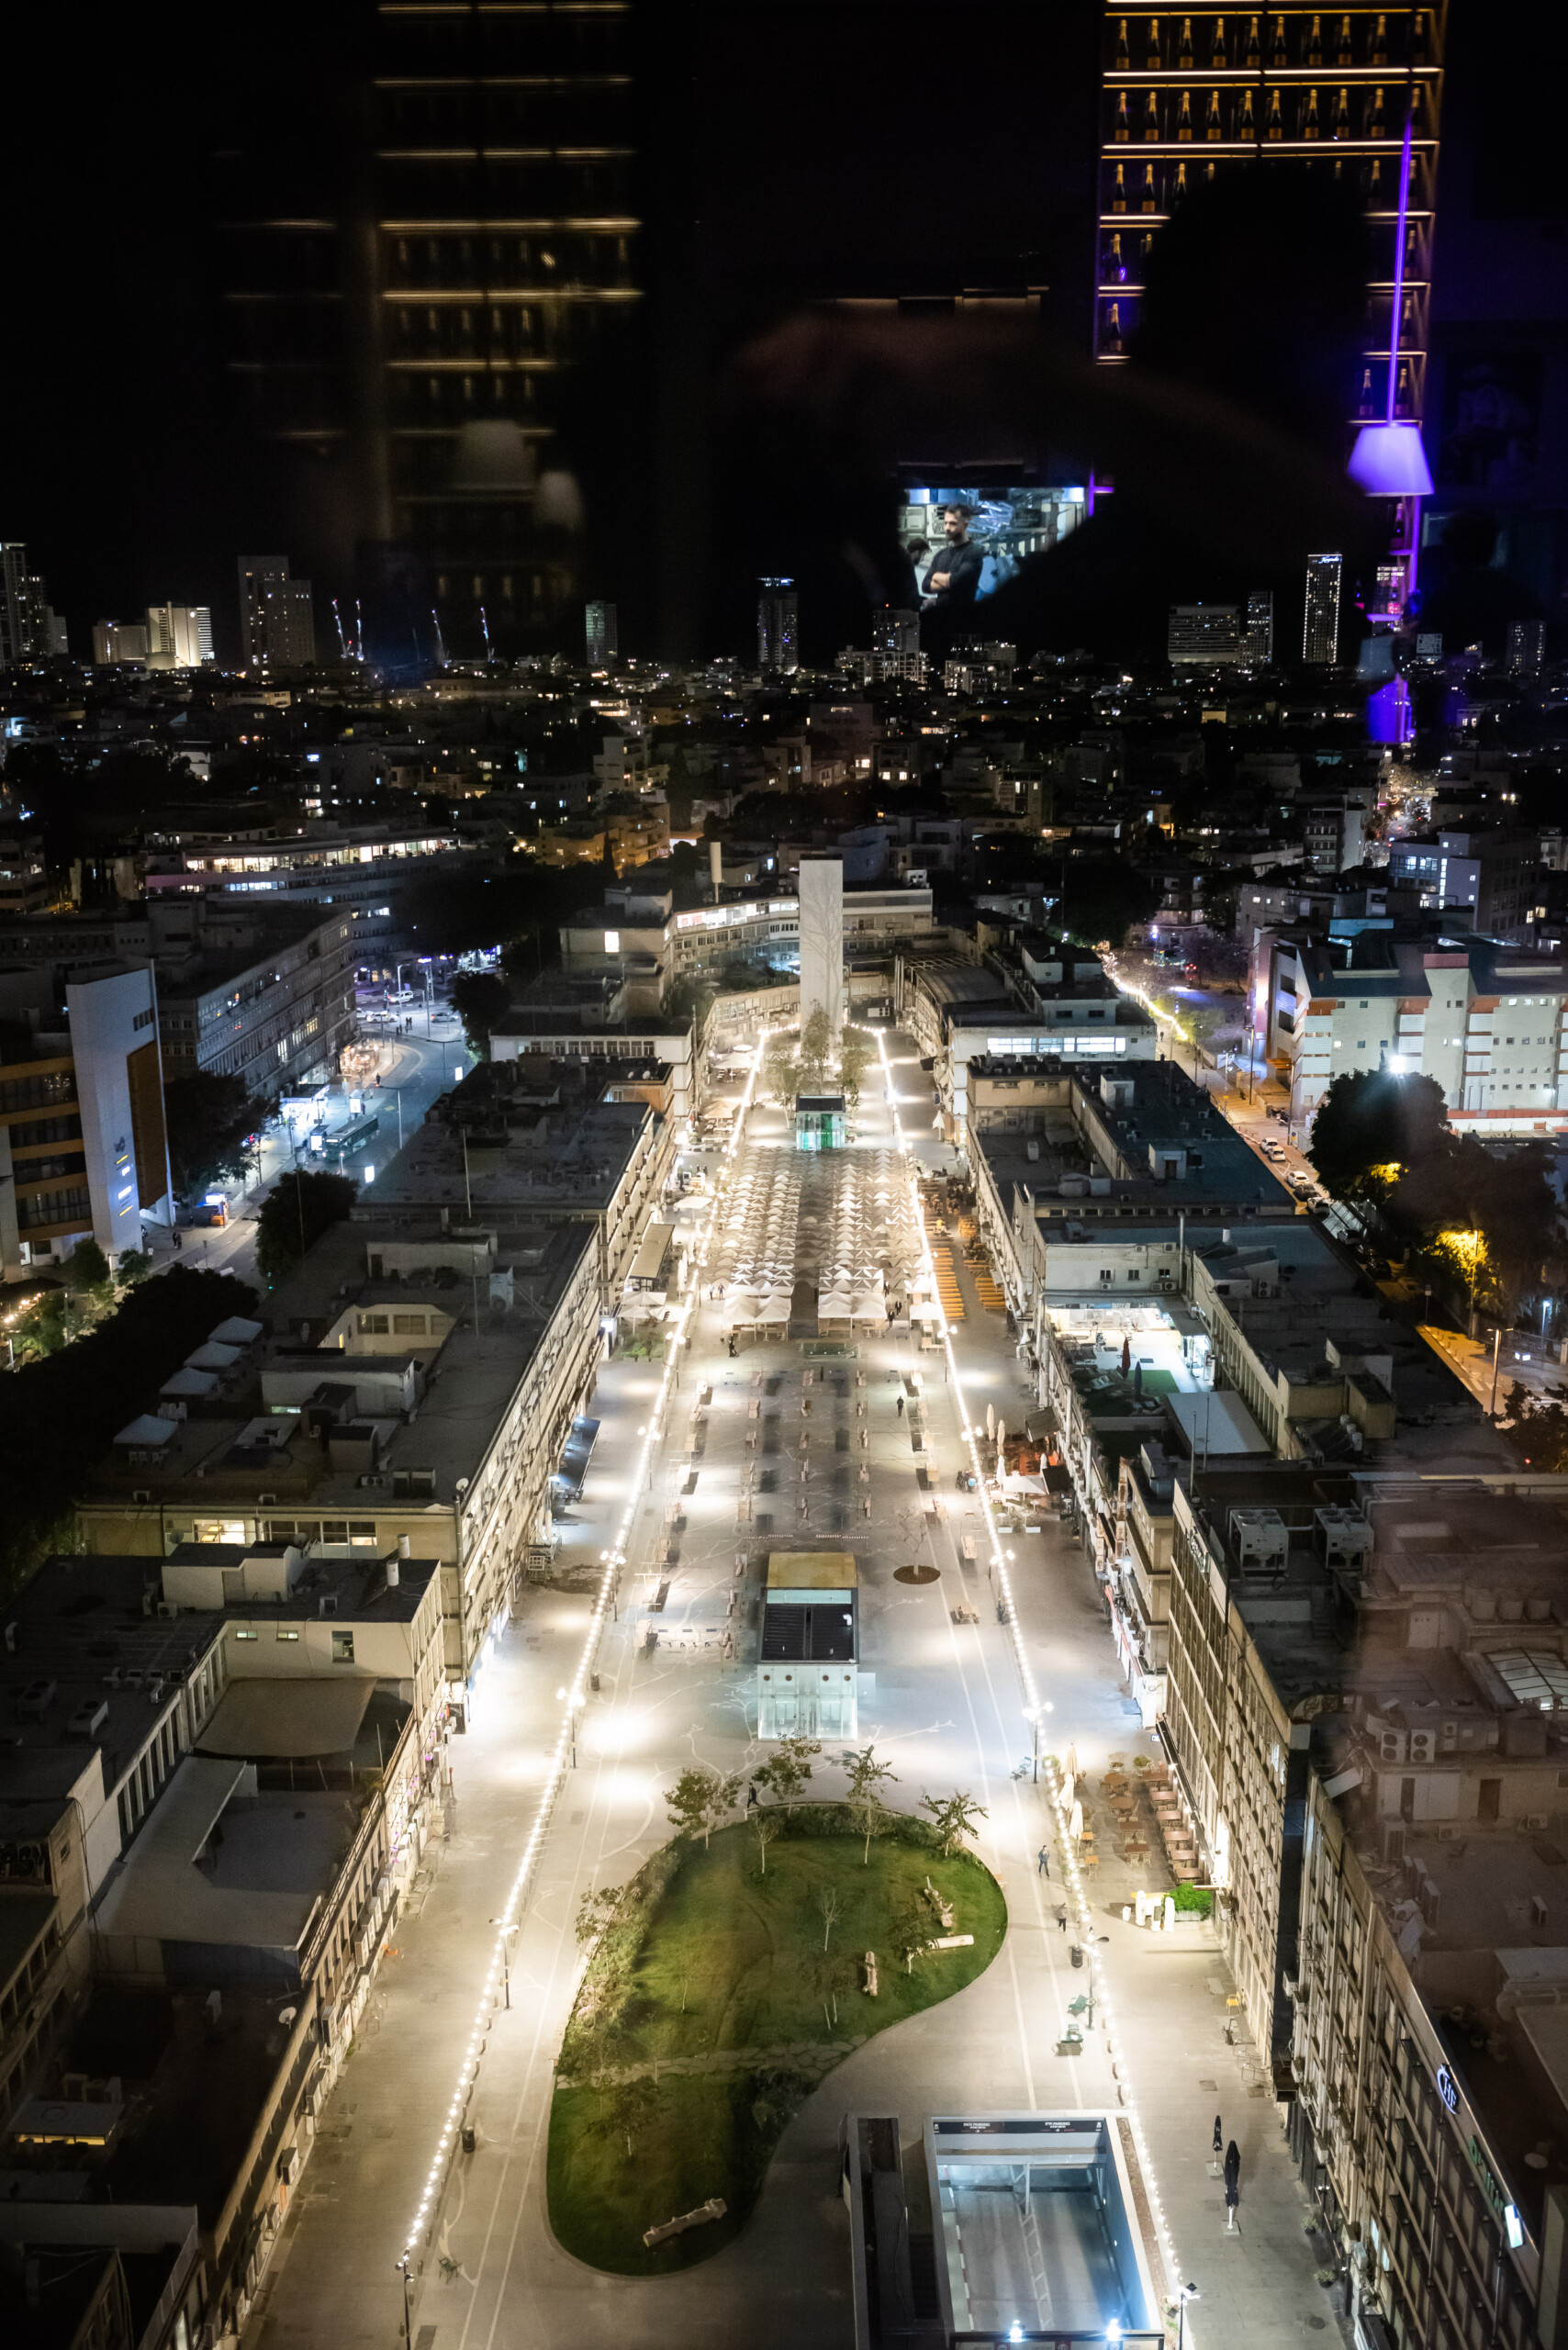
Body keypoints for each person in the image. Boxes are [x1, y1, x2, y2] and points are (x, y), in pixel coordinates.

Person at [921, 503, 984, 619]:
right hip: (940, 620)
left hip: (964, 620)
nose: (947, 528)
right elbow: (925, 586)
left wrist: (936, 577)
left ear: (965, 526)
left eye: (953, 523)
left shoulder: (974, 552)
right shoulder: (941, 554)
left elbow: (956, 581)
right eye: (945, 523)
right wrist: (949, 581)